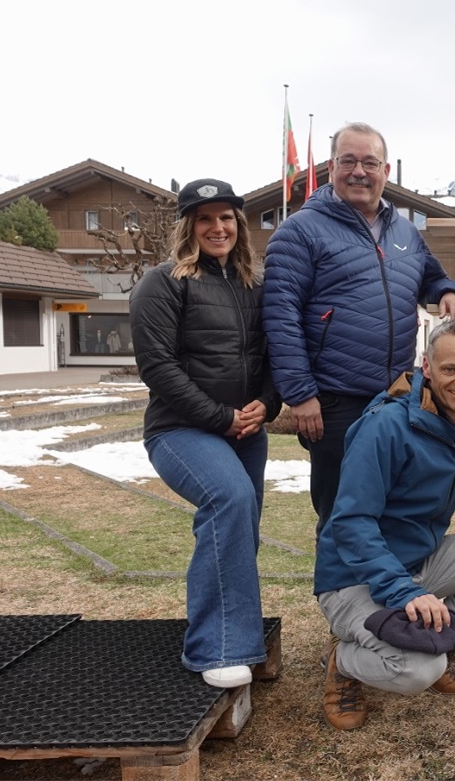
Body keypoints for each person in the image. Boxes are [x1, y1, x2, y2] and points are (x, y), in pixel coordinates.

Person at [314, 320, 455, 730]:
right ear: (427, 367)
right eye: (450, 369)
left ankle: (429, 631)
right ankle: (344, 662)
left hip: (419, 561)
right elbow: (351, 522)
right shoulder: (385, 426)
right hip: (353, 578)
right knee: (416, 671)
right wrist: (402, 591)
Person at [263, 122, 455, 538]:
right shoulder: (300, 231)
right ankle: (342, 603)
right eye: (348, 161)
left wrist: (447, 289)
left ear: (386, 170)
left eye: (369, 162)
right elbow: (279, 316)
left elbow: (432, 275)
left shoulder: (404, 231)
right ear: (331, 168)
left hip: (394, 396)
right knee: (342, 513)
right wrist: (300, 395)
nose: (359, 171)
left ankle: (388, 600)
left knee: (392, 508)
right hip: (334, 402)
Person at [130, 178, 282, 688]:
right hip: (180, 430)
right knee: (230, 498)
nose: (217, 227)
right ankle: (217, 648)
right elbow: (158, 367)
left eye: (226, 218)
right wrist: (221, 417)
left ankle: (236, 634)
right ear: (188, 227)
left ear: (238, 225)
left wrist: (269, 401)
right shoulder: (163, 283)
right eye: (204, 218)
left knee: (240, 527)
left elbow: (274, 354)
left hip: (246, 429)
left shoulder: (254, 285)